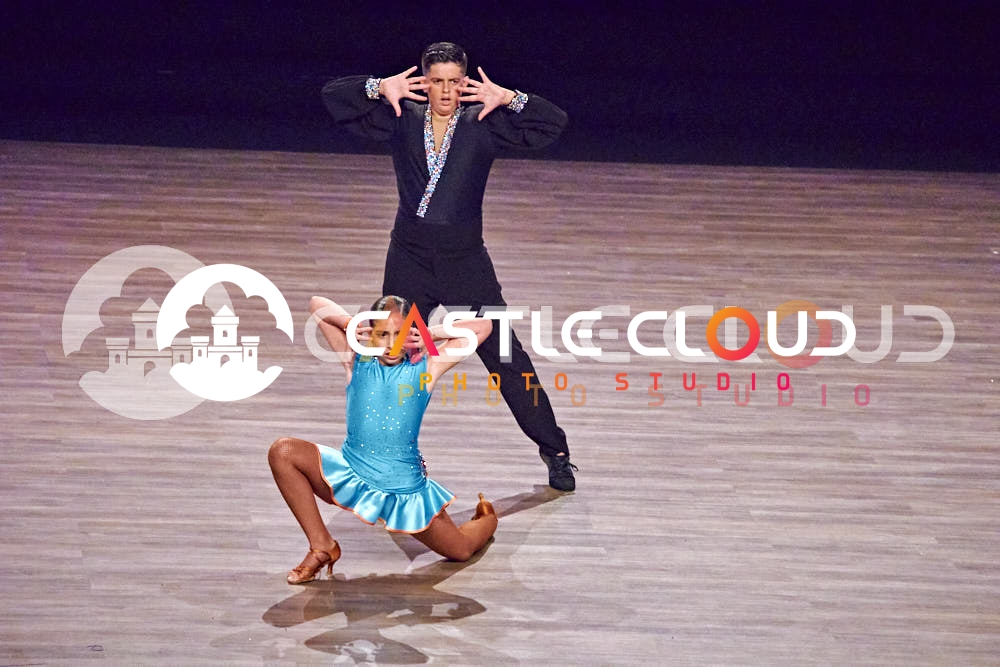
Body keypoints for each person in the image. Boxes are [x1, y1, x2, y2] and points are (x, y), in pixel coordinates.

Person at [321, 41, 577, 491]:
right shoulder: (402, 116)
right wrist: (378, 87)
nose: (445, 91)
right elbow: (333, 98)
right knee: (386, 355)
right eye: (436, 81)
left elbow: (552, 123)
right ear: (424, 81)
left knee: (507, 358)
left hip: (465, 262)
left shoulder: (484, 122)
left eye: (454, 82)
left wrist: (511, 98)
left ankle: (555, 452)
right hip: (410, 258)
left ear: (465, 82)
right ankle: (379, 459)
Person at [268, 294, 498, 584]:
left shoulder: (428, 366)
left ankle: (488, 518)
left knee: (461, 550)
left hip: (404, 491)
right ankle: (322, 546)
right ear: (371, 334)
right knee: (283, 452)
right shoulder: (355, 360)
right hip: (351, 476)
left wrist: (430, 334)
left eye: (400, 334)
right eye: (383, 334)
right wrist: (351, 323)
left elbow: (483, 326)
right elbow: (316, 304)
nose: (392, 344)